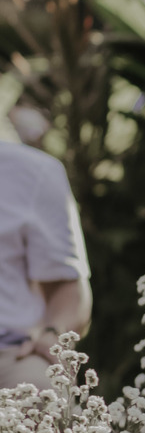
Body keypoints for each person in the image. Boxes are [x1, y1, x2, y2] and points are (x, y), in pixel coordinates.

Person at [0, 136, 91, 389]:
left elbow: (68, 289)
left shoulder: (35, 172)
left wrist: (53, 334)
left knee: (42, 391)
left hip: (9, 352)